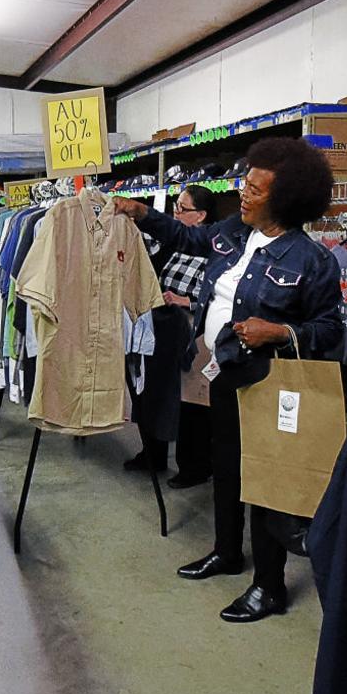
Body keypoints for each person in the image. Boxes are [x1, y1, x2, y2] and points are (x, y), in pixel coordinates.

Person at [114, 138, 341, 623]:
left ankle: (269, 586)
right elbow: (187, 239)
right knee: (227, 466)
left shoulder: (311, 260)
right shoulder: (233, 232)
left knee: (264, 479)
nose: (243, 193)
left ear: (284, 200)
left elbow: (331, 329)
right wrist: (139, 212)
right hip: (225, 372)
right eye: (245, 183)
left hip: (269, 380)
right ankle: (227, 551)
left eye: (255, 188)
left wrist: (280, 330)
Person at [123, 184, 216, 488]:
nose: (176, 214)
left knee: (191, 400)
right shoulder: (174, 244)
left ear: (201, 215)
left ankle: (195, 466)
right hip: (161, 323)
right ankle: (153, 452)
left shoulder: (214, 248)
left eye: (182, 209)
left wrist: (184, 301)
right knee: (151, 389)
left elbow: (219, 295)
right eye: (175, 207)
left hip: (193, 329)